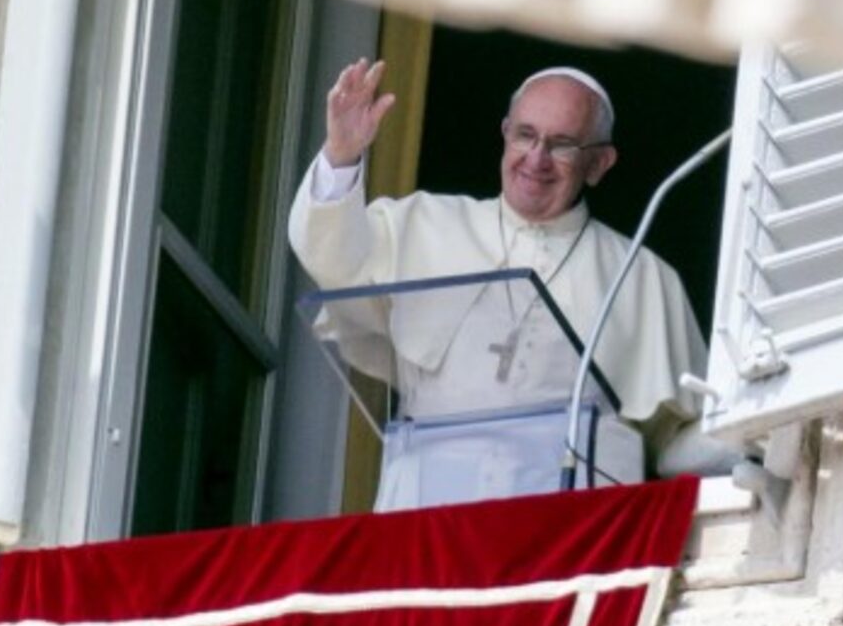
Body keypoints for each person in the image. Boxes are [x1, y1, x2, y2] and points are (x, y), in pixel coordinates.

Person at [288, 58, 707, 471]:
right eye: (525, 135)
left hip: (575, 525)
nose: (537, 159)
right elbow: (333, 260)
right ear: (506, 135)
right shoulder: (424, 223)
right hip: (434, 505)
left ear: (599, 164)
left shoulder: (643, 278)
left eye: (562, 144)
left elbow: (674, 438)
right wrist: (341, 154)